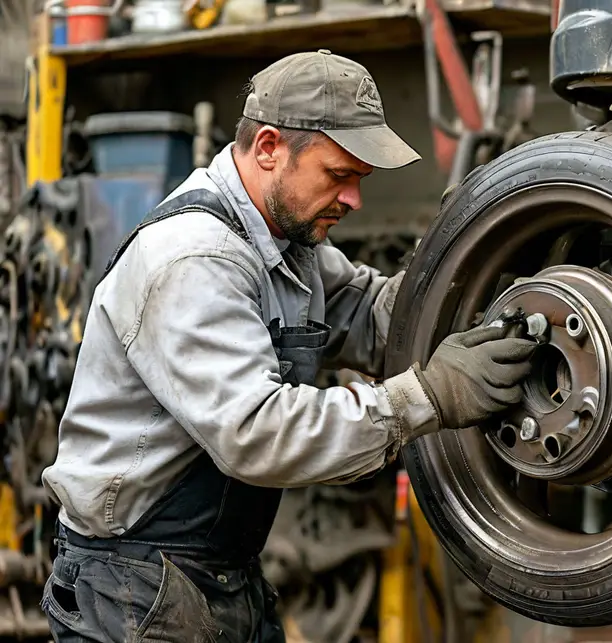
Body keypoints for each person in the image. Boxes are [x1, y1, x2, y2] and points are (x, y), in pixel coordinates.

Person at [39, 50, 537, 642]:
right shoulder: (197, 259)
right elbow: (256, 433)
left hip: (217, 575)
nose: (353, 200)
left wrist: (462, 274)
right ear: (270, 147)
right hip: (132, 589)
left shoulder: (286, 242)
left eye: (360, 179)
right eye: (339, 175)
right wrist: (431, 396)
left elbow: (372, 317)